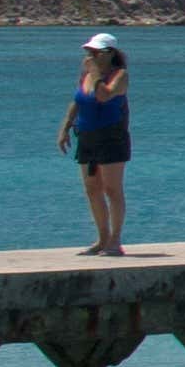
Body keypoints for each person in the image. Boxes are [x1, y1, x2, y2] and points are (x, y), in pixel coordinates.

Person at [65, 35, 137, 255]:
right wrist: (65, 127)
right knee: (91, 187)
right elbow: (78, 101)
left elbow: (104, 96)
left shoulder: (120, 76)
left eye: (95, 53)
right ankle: (102, 238)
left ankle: (115, 240)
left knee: (112, 188)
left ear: (109, 54)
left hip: (111, 136)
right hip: (87, 135)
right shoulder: (86, 76)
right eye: (89, 53)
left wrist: (95, 73)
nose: (90, 57)